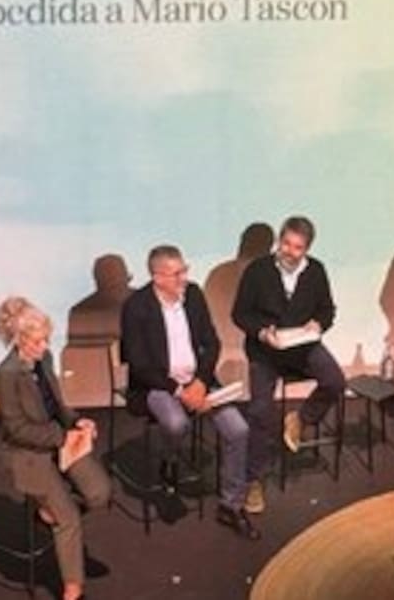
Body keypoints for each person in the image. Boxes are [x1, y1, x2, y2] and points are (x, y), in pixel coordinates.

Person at [119, 245, 255, 535]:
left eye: (184, 270)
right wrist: (180, 391)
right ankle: (169, 460)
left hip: (198, 380)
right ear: (157, 277)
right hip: (158, 384)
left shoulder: (193, 295)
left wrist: (201, 382)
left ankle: (231, 505)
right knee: (176, 423)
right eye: (176, 273)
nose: (184, 277)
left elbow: (212, 343)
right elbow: (139, 365)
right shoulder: (136, 307)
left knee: (238, 429)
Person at [0, 297, 112, 600]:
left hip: (59, 439)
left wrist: (77, 422)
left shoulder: (44, 359)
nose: (44, 346)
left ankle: (48, 511)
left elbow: (57, 405)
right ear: (19, 340)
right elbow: (17, 429)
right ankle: (73, 588)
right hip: (25, 453)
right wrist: (61, 437)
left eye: (46, 338)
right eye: (37, 341)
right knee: (68, 518)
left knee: (100, 493)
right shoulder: (7, 374)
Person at [232, 215, 346, 514]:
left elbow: (327, 310)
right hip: (265, 351)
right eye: (286, 243)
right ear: (278, 241)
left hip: (302, 347)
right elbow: (240, 314)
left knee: (335, 381)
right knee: (260, 411)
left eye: (297, 247)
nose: (290, 251)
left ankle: (300, 419)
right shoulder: (257, 270)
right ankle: (254, 480)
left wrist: (317, 324)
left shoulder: (316, 270)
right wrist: (262, 332)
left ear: (307, 249)